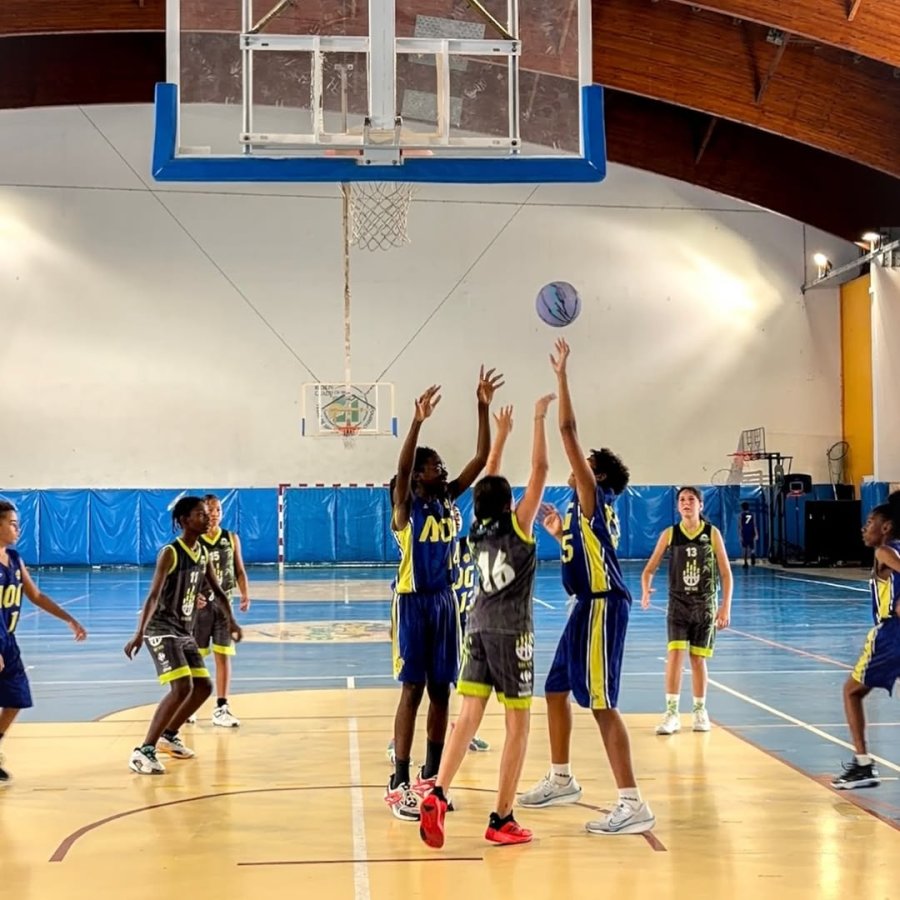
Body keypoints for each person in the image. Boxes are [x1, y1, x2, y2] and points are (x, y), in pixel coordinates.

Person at [518, 339, 655, 835]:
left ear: (595, 475)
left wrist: (561, 376)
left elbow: (568, 430)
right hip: (584, 607)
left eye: (586, 463)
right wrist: (560, 534)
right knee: (555, 689)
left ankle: (632, 802)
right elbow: (587, 552)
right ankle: (561, 778)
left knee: (600, 703)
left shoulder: (595, 497)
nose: (578, 466)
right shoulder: (583, 513)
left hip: (603, 607)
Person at [419, 393, 554, 848]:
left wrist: (500, 436)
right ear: (510, 502)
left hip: (475, 628)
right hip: (511, 633)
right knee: (518, 726)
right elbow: (540, 471)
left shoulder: (475, 530)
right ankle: (502, 817)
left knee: (468, 717)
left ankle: (438, 792)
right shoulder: (518, 526)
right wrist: (538, 418)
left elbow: (490, 482)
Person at [385, 367, 504, 821]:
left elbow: (481, 456)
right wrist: (417, 421)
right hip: (413, 602)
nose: (443, 469)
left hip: (445, 602)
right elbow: (401, 468)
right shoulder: (405, 506)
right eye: (434, 466)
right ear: (418, 476)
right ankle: (399, 779)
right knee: (412, 690)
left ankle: (431, 778)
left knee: (441, 692)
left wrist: (482, 406)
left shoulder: (449, 500)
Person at [124, 496, 243, 775]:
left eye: (208, 513)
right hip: (161, 629)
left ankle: (168, 735)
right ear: (183, 521)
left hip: (183, 630)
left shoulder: (202, 553)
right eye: (200, 514)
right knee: (181, 688)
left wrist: (232, 621)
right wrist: (139, 633)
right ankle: (144, 751)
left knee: (203, 687)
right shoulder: (170, 552)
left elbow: (218, 591)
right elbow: (153, 595)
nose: (207, 518)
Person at [0, 500, 87, 785]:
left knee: (16, 698)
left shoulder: (14, 558)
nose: (18, 529)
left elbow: (35, 595)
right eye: (13, 524)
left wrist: (68, 619)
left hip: (8, 641)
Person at [640, 486, 733, 735]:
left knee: (697, 659)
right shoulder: (670, 534)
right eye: (682, 499)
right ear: (677, 506)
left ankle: (700, 711)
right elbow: (649, 569)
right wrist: (646, 590)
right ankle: (672, 713)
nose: (686, 503)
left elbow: (726, 573)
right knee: (675, 655)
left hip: (705, 605)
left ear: (701, 505)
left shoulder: (712, 533)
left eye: (691, 499)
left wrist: (725, 606)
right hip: (678, 604)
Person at [832, 503, 900, 789]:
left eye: (870, 521)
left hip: (892, 635)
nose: (864, 527)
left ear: (886, 527)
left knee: (852, 691)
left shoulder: (884, 551)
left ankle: (863, 765)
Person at [190, 494, 250, 727]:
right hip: (200, 607)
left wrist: (245, 593)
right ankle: (190, 704)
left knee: (223, 655)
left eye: (218, 510)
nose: (214, 514)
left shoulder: (231, 538)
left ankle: (221, 707)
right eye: (210, 510)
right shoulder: (194, 540)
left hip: (224, 605)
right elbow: (185, 574)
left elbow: (239, 570)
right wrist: (192, 595)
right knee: (195, 656)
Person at [739, 502, 758, 568]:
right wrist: (756, 533)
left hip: (745, 532)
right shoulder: (752, 514)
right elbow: (754, 524)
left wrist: (740, 535)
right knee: (752, 546)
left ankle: (745, 562)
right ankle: (753, 556)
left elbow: (740, 525)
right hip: (751, 532)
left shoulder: (742, 515)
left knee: (745, 548)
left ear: (742, 508)